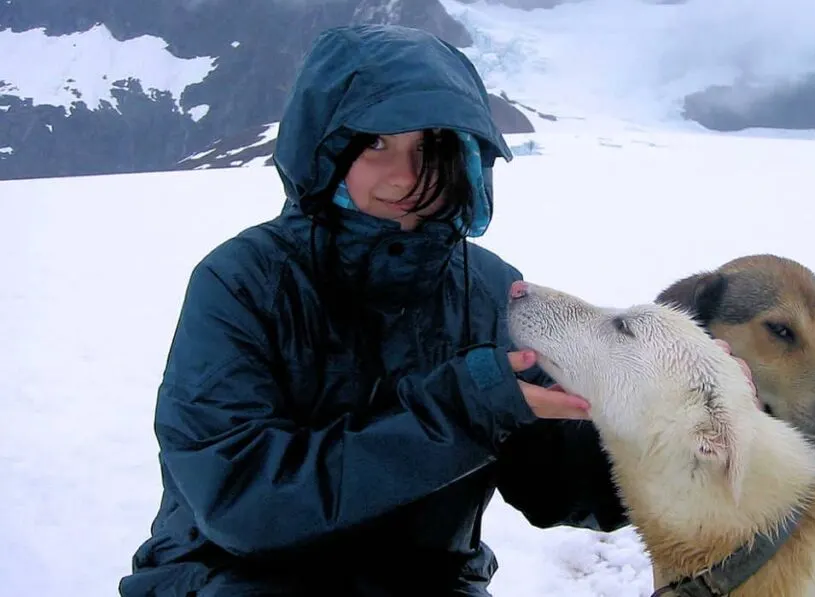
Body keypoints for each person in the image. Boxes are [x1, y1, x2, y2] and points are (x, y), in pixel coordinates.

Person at [118, 24, 633, 597]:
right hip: (232, 579)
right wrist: (458, 415)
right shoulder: (242, 282)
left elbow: (556, 480)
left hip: (426, 580)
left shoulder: (487, 288)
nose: (406, 176)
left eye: (430, 146)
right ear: (326, 150)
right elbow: (242, 504)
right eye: (375, 143)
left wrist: (684, 427)